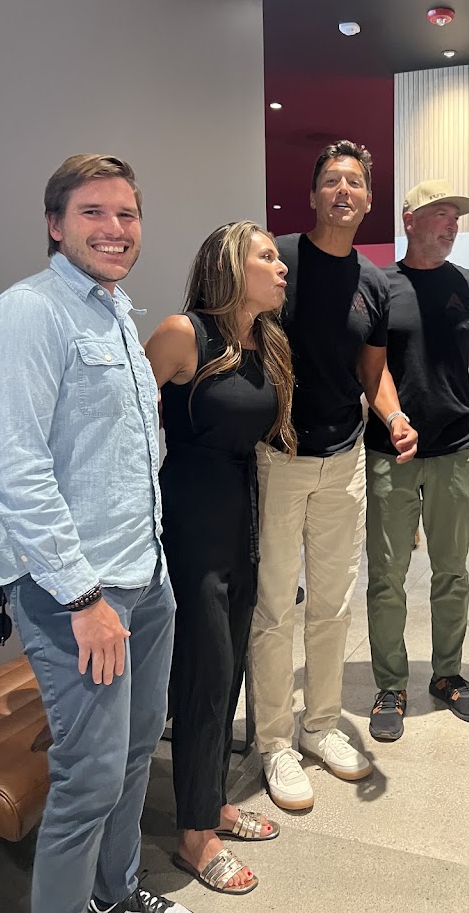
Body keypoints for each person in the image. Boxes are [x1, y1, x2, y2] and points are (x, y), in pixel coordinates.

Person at [0, 155, 190, 913]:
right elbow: (15, 467)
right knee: (89, 781)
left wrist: (156, 567)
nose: (115, 228)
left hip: (145, 575)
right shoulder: (30, 312)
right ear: (55, 225)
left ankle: (117, 893)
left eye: (126, 214)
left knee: (136, 754)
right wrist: (83, 598)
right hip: (78, 591)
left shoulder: (115, 311)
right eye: (93, 213)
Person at [250, 141, 418, 810]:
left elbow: (372, 372)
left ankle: (319, 725)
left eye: (354, 182)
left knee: (331, 603)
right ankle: (273, 742)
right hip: (277, 457)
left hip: (344, 459)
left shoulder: (375, 283)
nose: (343, 190)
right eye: (331, 180)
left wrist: (394, 415)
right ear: (313, 194)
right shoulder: (280, 260)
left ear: (369, 200)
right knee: (272, 609)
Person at [145, 222, 294, 895]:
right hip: (190, 522)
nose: (281, 267)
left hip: (241, 518)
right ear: (231, 265)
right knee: (203, 675)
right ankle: (193, 836)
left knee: (227, 668)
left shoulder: (264, 342)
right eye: (267, 256)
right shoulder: (184, 334)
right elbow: (119, 420)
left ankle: (210, 803)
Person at [365, 180, 469, 742]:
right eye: (440, 214)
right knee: (387, 575)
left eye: (456, 216)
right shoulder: (380, 285)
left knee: (452, 571)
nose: (451, 224)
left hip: (455, 448)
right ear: (410, 219)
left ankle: (447, 673)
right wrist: (393, 418)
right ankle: (390, 683)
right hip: (391, 452)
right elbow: (371, 367)